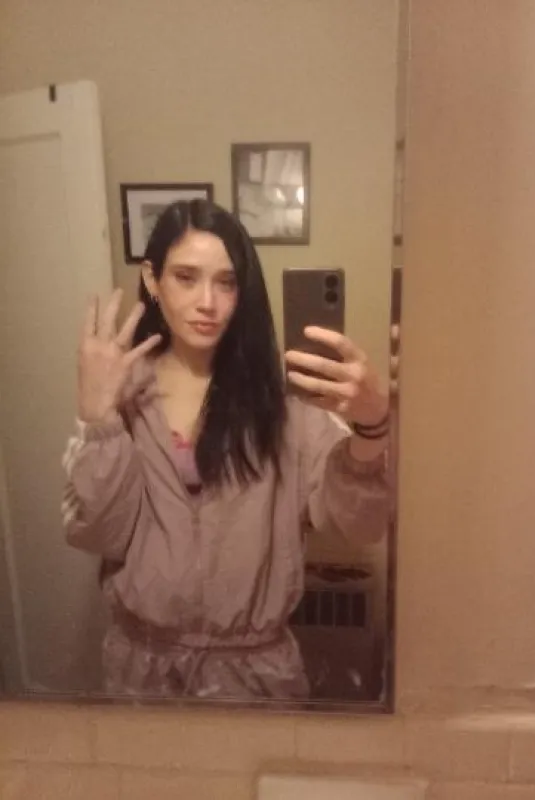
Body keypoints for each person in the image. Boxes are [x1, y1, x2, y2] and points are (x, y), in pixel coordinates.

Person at [61, 199, 391, 700]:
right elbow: (97, 534)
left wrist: (372, 427)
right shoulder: (121, 393)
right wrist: (98, 418)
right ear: (152, 279)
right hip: (142, 674)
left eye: (227, 282)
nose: (207, 302)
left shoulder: (286, 404)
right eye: (186, 277)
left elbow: (360, 525)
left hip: (256, 677)